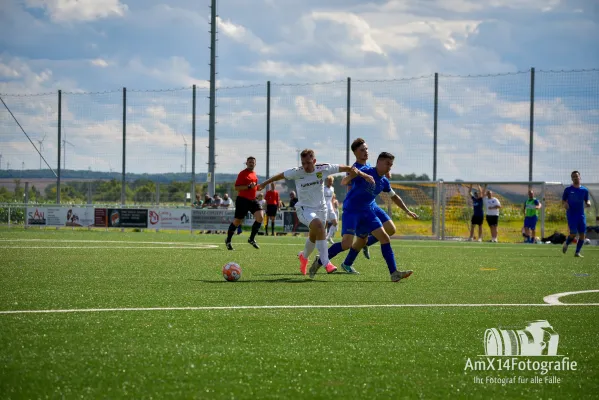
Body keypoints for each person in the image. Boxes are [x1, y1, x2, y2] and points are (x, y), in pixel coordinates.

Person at [257, 149, 372, 275]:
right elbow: (279, 175)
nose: (305, 166)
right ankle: (326, 262)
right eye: (303, 163)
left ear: (314, 161)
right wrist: (264, 183)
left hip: (321, 209)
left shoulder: (323, 169)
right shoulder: (297, 172)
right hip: (304, 209)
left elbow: (347, 168)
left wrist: (365, 175)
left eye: (308, 163)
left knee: (313, 236)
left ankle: (304, 256)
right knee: (319, 227)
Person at [311, 152, 416, 282]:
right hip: (352, 211)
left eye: (391, 165)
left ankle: (394, 273)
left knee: (384, 237)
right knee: (346, 244)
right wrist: (353, 175)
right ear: (378, 163)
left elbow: (394, 197)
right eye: (387, 164)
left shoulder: (384, 181)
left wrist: (407, 211)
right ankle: (320, 260)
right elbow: (344, 181)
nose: (389, 167)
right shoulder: (366, 171)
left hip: (367, 212)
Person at [340, 138, 395, 261]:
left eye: (366, 149)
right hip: (361, 207)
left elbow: (377, 175)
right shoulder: (355, 168)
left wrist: (385, 172)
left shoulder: (368, 166)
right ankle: (348, 262)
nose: (366, 152)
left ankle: (366, 244)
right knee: (360, 238)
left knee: (391, 229)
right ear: (355, 153)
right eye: (362, 150)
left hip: (372, 205)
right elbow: (349, 186)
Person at [225, 156, 264, 250]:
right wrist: (248, 187)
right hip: (242, 199)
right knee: (238, 221)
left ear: (255, 164)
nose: (251, 163)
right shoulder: (242, 174)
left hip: (253, 200)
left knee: (261, 216)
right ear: (246, 163)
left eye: (253, 162)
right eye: (249, 162)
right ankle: (228, 240)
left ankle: (251, 239)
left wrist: (257, 187)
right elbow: (237, 187)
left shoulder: (254, 174)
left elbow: (253, 187)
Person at [562, 171, 591, 257]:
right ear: (572, 178)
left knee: (582, 235)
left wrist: (588, 203)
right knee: (573, 233)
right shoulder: (568, 190)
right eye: (573, 177)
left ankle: (577, 252)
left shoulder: (584, 190)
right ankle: (566, 243)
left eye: (576, 176)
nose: (575, 178)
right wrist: (565, 204)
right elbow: (563, 200)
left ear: (580, 177)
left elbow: (587, 199)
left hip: (581, 215)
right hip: (571, 214)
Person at [324, 176, 338, 244]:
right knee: (325, 224)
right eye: (329, 181)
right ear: (326, 182)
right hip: (324, 208)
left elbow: (332, 199)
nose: (330, 182)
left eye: (331, 181)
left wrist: (333, 207)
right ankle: (324, 239)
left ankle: (328, 237)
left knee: (335, 223)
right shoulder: (323, 189)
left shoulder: (332, 188)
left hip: (331, 208)